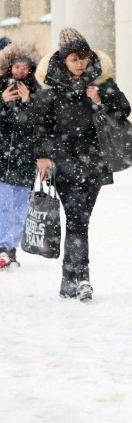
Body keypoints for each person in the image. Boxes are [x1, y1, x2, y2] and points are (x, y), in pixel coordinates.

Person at [31, 28, 131, 301]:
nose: (80, 63)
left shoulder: (102, 83)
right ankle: (82, 277)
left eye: (83, 57)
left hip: (95, 160)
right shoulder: (51, 89)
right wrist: (41, 155)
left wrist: (101, 100)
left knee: (80, 219)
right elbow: (39, 125)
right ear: (63, 60)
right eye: (74, 58)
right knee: (77, 218)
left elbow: (124, 111)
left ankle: (68, 279)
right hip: (63, 161)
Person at [0, 42, 40, 270]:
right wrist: (2, 102)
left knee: (19, 207)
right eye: (17, 66)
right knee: (3, 205)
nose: (20, 72)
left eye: (25, 67)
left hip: (25, 159)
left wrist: (28, 103)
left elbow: (39, 125)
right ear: (9, 66)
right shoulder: (1, 88)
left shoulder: (37, 93)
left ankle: (10, 248)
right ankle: (3, 247)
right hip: (2, 157)